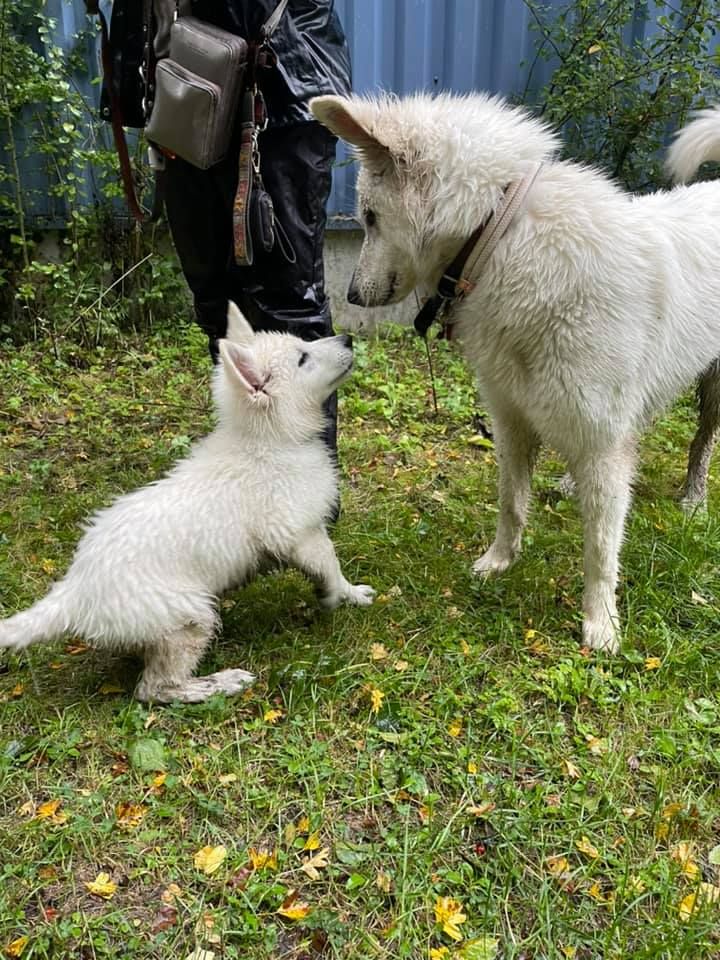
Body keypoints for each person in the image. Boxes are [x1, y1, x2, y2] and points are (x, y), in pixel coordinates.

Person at [162, 0, 352, 453]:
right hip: (184, 81)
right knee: (217, 302)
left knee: (289, 301)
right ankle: (251, 459)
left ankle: (306, 495)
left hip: (282, 86)